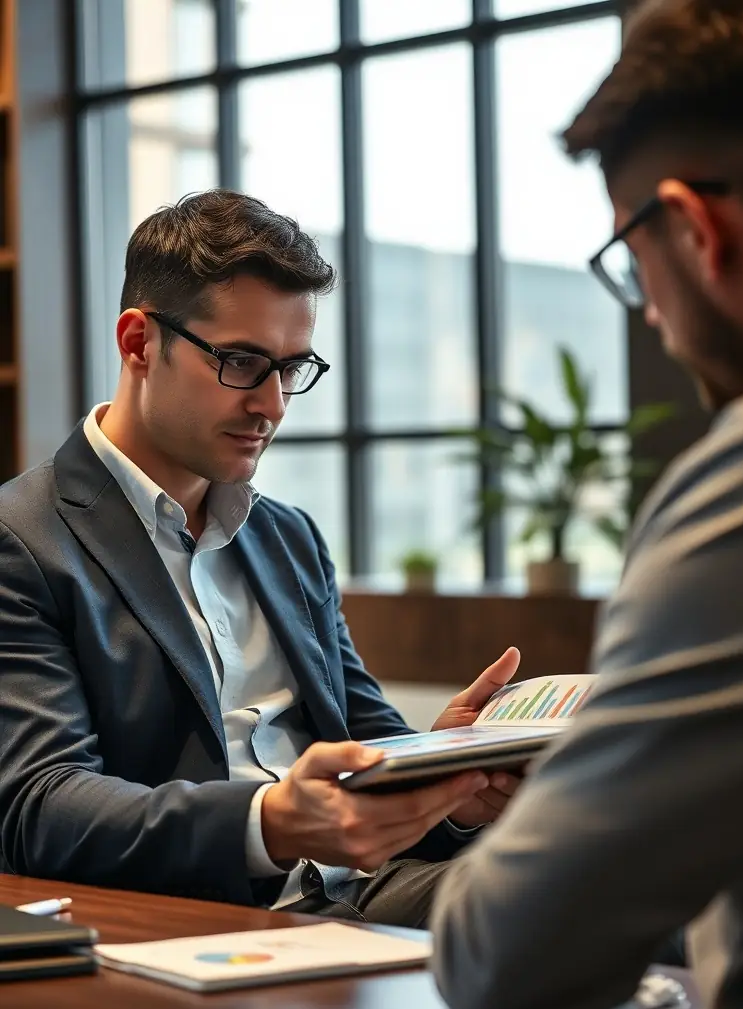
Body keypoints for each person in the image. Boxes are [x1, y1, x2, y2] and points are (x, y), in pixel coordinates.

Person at [0, 189, 522, 926]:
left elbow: (366, 746)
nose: (273, 404)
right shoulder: (22, 540)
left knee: (620, 882)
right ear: (138, 342)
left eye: (292, 368)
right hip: (194, 917)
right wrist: (268, 822)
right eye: (243, 362)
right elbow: (38, 805)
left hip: (360, 891)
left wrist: (446, 773)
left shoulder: (286, 536)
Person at [431, 0, 743, 1009]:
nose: (654, 314)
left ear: (694, 227)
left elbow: (503, 953)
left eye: (632, 260)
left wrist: (585, 791)